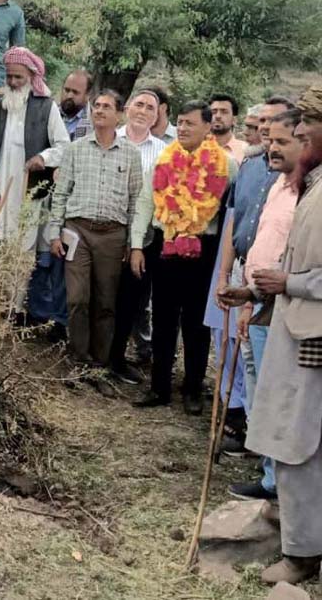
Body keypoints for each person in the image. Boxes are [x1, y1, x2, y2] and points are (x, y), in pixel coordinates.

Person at [245, 85, 322, 586]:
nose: (296, 136)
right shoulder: (311, 185)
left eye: (304, 129)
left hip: (311, 337)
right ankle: (301, 545)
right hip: (295, 328)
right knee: (297, 446)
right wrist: (256, 293)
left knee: (300, 447)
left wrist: (289, 283)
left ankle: (301, 555)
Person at [218, 109, 303, 501]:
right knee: (256, 387)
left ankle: (275, 481)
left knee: (273, 393)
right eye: (270, 140)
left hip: (284, 306)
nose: (272, 147)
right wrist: (248, 296)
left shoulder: (306, 193)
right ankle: (266, 468)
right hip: (256, 298)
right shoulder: (278, 185)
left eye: (282, 141)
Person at [132, 101, 237, 414]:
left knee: (196, 324)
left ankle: (192, 389)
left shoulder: (226, 164)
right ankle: (159, 388)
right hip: (166, 247)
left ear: (207, 127)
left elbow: (232, 212)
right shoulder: (163, 160)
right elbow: (144, 204)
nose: (184, 128)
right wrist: (137, 245)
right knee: (163, 320)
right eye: (181, 122)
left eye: (191, 123)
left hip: (203, 252)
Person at [208, 96, 295, 444]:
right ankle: (253, 440)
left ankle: (269, 458)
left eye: (276, 133)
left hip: (281, 288)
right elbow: (235, 222)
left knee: (273, 375)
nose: (268, 138)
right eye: (263, 130)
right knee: (245, 359)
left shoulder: (299, 183)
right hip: (246, 277)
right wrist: (227, 277)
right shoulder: (250, 166)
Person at [49, 90, 143, 366]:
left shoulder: (130, 154)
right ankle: (78, 361)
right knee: (77, 298)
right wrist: (55, 233)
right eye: (96, 106)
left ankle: (99, 364)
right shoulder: (76, 149)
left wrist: (131, 242)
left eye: (106, 107)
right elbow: (61, 192)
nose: (99, 111)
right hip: (78, 231)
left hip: (113, 235)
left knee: (105, 303)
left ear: (119, 114)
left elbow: (136, 199)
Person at [0, 47, 69, 257]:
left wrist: (43, 157)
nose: (12, 82)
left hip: (27, 191)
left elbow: (65, 147)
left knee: (19, 250)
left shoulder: (47, 107)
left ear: (32, 77)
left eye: (18, 77)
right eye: (9, 76)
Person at [110, 89, 168, 382]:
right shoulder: (110, 139)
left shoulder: (163, 152)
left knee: (132, 299)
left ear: (157, 117)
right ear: (128, 107)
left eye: (150, 108)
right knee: (102, 295)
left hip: (143, 240)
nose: (143, 111)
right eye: (139, 104)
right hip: (106, 233)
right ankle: (94, 354)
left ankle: (117, 358)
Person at [210, 93, 248, 165]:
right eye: (213, 112)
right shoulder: (197, 149)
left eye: (224, 112)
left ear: (234, 120)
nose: (218, 116)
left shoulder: (246, 152)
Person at [60, 70, 94, 141]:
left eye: (75, 92)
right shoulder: (50, 113)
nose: (69, 96)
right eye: (67, 90)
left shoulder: (95, 121)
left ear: (88, 95)